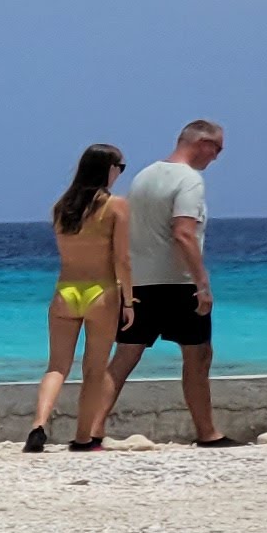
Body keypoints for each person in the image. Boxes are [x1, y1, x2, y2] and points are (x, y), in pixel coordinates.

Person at [79, 119, 233, 448]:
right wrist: (202, 283)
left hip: (141, 282)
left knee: (123, 358)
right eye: (217, 148)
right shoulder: (190, 180)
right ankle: (207, 433)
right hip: (179, 283)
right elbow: (183, 233)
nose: (217, 157)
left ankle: (91, 433)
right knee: (198, 356)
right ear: (202, 143)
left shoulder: (144, 176)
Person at [29, 143, 128, 451]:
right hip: (101, 292)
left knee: (56, 366)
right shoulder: (116, 206)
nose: (120, 174)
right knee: (94, 369)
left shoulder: (62, 208)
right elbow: (123, 260)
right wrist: (132, 300)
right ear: (108, 169)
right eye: (120, 168)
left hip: (65, 291)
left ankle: (39, 424)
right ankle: (83, 438)